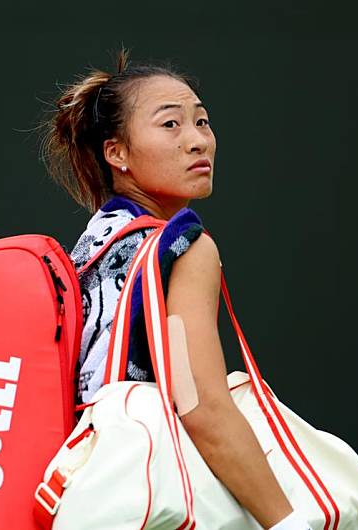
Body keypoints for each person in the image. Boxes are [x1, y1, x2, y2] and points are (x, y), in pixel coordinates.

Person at [41, 47, 309, 530]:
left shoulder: (85, 250)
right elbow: (199, 405)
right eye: (170, 125)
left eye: (202, 123)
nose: (197, 142)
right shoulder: (183, 247)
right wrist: (289, 523)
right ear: (115, 153)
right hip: (150, 501)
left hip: (80, 495)